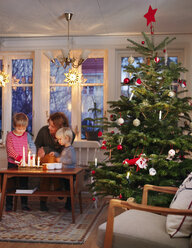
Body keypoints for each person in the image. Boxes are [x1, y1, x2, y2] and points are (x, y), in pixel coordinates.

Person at [35, 112, 75, 211]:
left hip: (59, 161)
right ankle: (58, 186)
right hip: (44, 159)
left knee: (52, 161)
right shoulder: (43, 131)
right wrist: (41, 151)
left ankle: (43, 202)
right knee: (49, 160)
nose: (49, 127)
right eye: (49, 124)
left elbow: (64, 153)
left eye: (52, 126)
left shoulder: (69, 135)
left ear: (60, 127)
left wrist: (48, 149)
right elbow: (36, 147)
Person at [6, 112, 36, 212]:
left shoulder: (27, 135)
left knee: (24, 183)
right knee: (10, 184)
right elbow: (10, 150)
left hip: (24, 164)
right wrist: (18, 158)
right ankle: (9, 205)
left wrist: (31, 156)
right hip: (13, 164)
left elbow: (32, 146)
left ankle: (24, 204)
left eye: (23, 129)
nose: (21, 131)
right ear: (14, 126)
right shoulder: (10, 136)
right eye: (19, 129)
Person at [54, 127, 77, 211]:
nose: (58, 141)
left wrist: (60, 160)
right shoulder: (65, 149)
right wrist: (56, 154)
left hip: (69, 173)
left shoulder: (71, 149)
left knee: (68, 190)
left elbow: (72, 161)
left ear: (67, 138)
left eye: (60, 139)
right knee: (65, 187)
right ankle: (64, 200)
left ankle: (68, 207)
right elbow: (62, 157)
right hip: (65, 173)